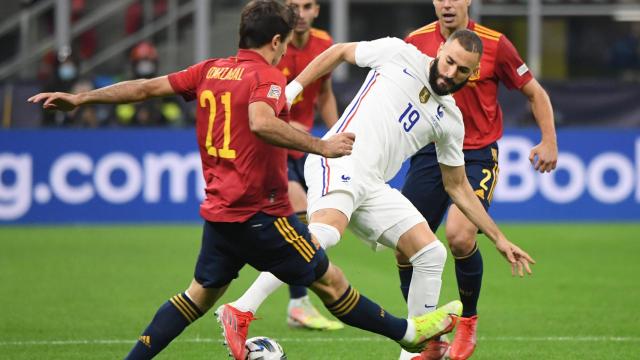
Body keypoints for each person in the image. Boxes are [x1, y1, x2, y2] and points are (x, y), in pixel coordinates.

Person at [28, 1, 461, 359]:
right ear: (275, 41)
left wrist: (82, 97)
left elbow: (144, 87)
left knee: (195, 298)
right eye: (285, 44)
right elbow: (260, 121)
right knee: (333, 284)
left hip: (219, 214)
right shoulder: (267, 78)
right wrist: (321, 145)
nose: (285, 53)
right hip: (262, 215)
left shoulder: (211, 70)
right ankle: (409, 335)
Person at [218, 28, 535, 360]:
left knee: (431, 253)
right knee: (325, 233)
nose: (450, 73)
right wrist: (293, 89)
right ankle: (241, 310)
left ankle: (414, 353)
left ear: (473, 75)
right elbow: (339, 51)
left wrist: (499, 238)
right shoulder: (400, 53)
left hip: (373, 185)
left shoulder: (451, 119)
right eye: (450, 62)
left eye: (462, 70)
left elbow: (457, 186)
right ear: (441, 50)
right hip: (337, 159)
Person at [399, 1, 558, 359]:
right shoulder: (414, 41)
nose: (449, 3)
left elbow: (535, 92)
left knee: (459, 235)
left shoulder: (495, 44)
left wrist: (549, 139)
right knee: (404, 245)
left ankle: (467, 323)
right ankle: (428, 332)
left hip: (475, 154)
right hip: (429, 152)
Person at [236, 0, 343, 332]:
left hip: (307, 146)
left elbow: (324, 93)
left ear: (317, 11)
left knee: (310, 222)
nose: (300, 13)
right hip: (275, 144)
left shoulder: (324, 44)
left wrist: (337, 130)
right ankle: (297, 303)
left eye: (307, 6)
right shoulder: (271, 40)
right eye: (294, 6)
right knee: (298, 213)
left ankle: (296, 300)